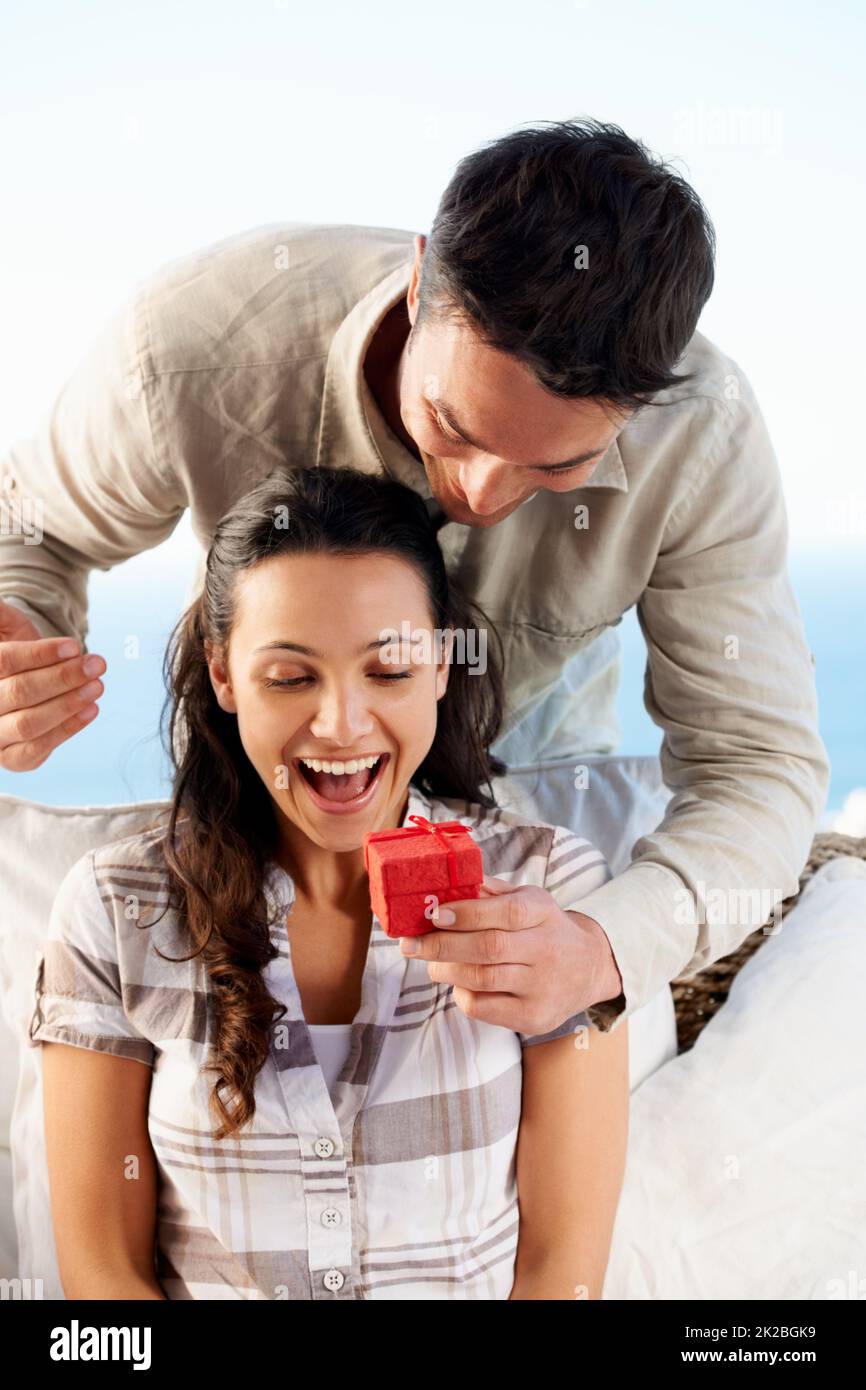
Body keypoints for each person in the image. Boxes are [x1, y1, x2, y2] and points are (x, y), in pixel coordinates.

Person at [1, 118, 829, 1041]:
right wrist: (19, 631)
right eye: (453, 424)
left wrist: (605, 945)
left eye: (556, 469)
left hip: (542, 763)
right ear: (418, 284)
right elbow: (23, 526)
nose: (478, 494)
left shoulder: (701, 439)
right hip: (270, 788)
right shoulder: (186, 348)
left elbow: (759, 764)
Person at [28, 466, 630, 1300]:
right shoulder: (112, 909)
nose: (341, 725)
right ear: (225, 677)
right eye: (290, 678)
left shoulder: (548, 888)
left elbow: (561, 1273)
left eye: (387, 673)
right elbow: (105, 1278)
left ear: (442, 667)